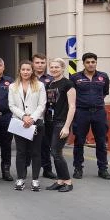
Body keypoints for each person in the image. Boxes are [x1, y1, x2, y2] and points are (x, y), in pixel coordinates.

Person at [71, 52, 110, 180]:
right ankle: (78, 168)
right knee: (79, 141)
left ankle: (103, 169)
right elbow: (72, 95)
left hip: (99, 112)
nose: (90, 64)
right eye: (88, 62)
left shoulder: (103, 77)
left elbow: (104, 92)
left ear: (96, 63)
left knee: (101, 141)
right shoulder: (75, 77)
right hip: (81, 112)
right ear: (83, 64)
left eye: (93, 62)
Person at [8, 61, 47, 192]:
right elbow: (11, 105)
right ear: (19, 71)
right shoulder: (13, 86)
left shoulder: (40, 85)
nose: (25, 72)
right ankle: (21, 179)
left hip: (36, 123)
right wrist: (24, 116)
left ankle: (35, 180)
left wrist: (32, 118)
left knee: (36, 152)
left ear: (32, 71)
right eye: (23, 69)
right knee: (21, 152)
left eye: (28, 70)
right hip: (19, 122)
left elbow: (42, 105)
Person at [46, 58, 76, 192]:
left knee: (56, 152)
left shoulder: (68, 84)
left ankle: (68, 182)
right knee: (54, 152)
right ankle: (60, 180)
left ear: (63, 68)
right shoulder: (50, 84)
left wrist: (66, 126)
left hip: (61, 123)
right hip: (51, 121)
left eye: (57, 67)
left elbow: (72, 107)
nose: (54, 69)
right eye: (52, 67)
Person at [33, 53, 57, 180]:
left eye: (42, 62)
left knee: (45, 144)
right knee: (27, 145)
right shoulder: (27, 77)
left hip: (47, 116)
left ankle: (47, 169)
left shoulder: (51, 79)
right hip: (29, 116)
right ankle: (24, 170)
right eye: (37, 62)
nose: (40, 65)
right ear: (33, 64)